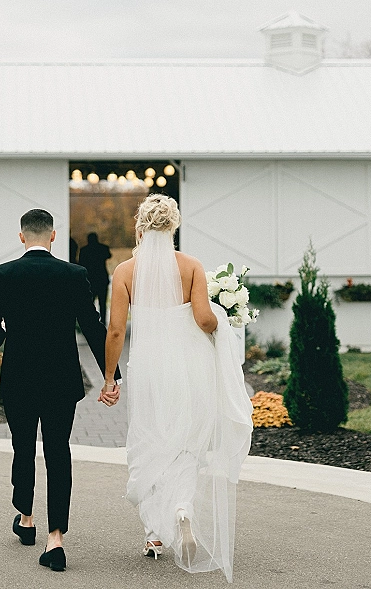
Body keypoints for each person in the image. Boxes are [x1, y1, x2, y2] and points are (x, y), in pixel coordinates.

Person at [99, 195, 253, 583]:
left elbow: (116, 330)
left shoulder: (125, 272)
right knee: (185, 443)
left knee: (149, 440)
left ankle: (154, 534)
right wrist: (224, 319)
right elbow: (203, 319)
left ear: (140, 228)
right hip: (189, 368)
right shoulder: (191, 266)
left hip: (149, 370)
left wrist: (108, 377)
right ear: (173, 228)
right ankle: (182, 509)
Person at [0, 208, 120, 573]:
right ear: (53, 236)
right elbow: (93, 325)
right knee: (58, 451)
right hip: (61, 378)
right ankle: (55, 539)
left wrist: (10, 333)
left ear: (22, 236)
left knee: (22, 446)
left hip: (19, 377)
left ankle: (26, 518)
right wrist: (110, 375)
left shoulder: (3, 274)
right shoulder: (73, 274)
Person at [78, 232, 112, 323]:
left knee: (89, 302)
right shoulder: (103, 248)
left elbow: (80, 263)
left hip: (90, 279)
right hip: (101, 278)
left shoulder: (84, 250)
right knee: (102, 303)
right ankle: (103, 321)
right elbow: (109, 255)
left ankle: (91, 321)